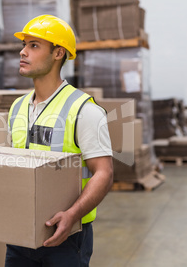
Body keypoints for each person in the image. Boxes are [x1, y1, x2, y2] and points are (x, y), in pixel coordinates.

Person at [6, 14, 114, 266]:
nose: (23, 52)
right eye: (24, 45)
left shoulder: (83, 110)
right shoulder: (17, 107)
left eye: (34, 46)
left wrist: (72, 215)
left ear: (58, 53)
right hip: (20, 234)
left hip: (67, 236)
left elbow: (104, 173)